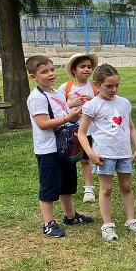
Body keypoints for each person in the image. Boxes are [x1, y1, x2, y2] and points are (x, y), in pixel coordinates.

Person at [25, 55, 93, 238]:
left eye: (52, 69)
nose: (50, 74)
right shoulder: (36, 98)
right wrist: (67, 118)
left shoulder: (57, 93)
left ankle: (70, 216)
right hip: (48, 150)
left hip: (65, 147)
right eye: (44, 72)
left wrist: (74, 114)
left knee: (67, 184)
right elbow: (43, 123)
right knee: (49, 186)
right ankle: (48, 223)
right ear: (33, 77)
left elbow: (63, 113)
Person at [77, 64, 136, 241]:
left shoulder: (124, 103)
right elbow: (82, 133)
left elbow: (130, 127)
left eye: (116, 85)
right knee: (106, 189)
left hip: (124, 153)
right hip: (104, 155)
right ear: (96, 85)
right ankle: (107, 225)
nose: (113, 89)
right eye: (109, 86)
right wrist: (91, 154)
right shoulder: (92, 106)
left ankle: (131, 220)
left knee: (126, 187)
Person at [60, 52, 98, 203]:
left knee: (85, 159)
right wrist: (72, 105)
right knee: (67, 159)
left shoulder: (94, 87)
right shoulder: (66, 87)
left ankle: (89, 189)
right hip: (69, 130)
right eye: (82, 66)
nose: (87, 69)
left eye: (89, 67)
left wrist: (91, 101)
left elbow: (101, 106)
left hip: (87, 130)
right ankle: (65, 188)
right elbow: (59, 107)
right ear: (74, 69)